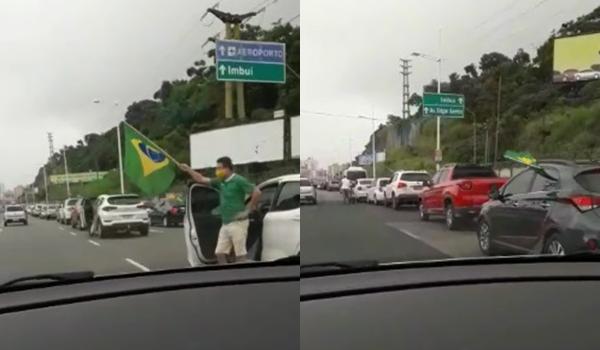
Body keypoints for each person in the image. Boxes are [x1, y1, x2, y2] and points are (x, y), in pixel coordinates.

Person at [179, 157, 261, 264]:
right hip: (225, 223)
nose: (217, 171)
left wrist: (248, 210)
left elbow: (257, 192)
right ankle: (226, 273)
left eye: (220, 168)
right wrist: (188, 169)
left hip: (238, 223)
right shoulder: (220, 182)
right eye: (216, 168)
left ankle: (242, 276)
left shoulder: (239, 180)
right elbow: (201, 179)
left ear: (228, 168)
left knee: (240, 255)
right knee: (219, 253)